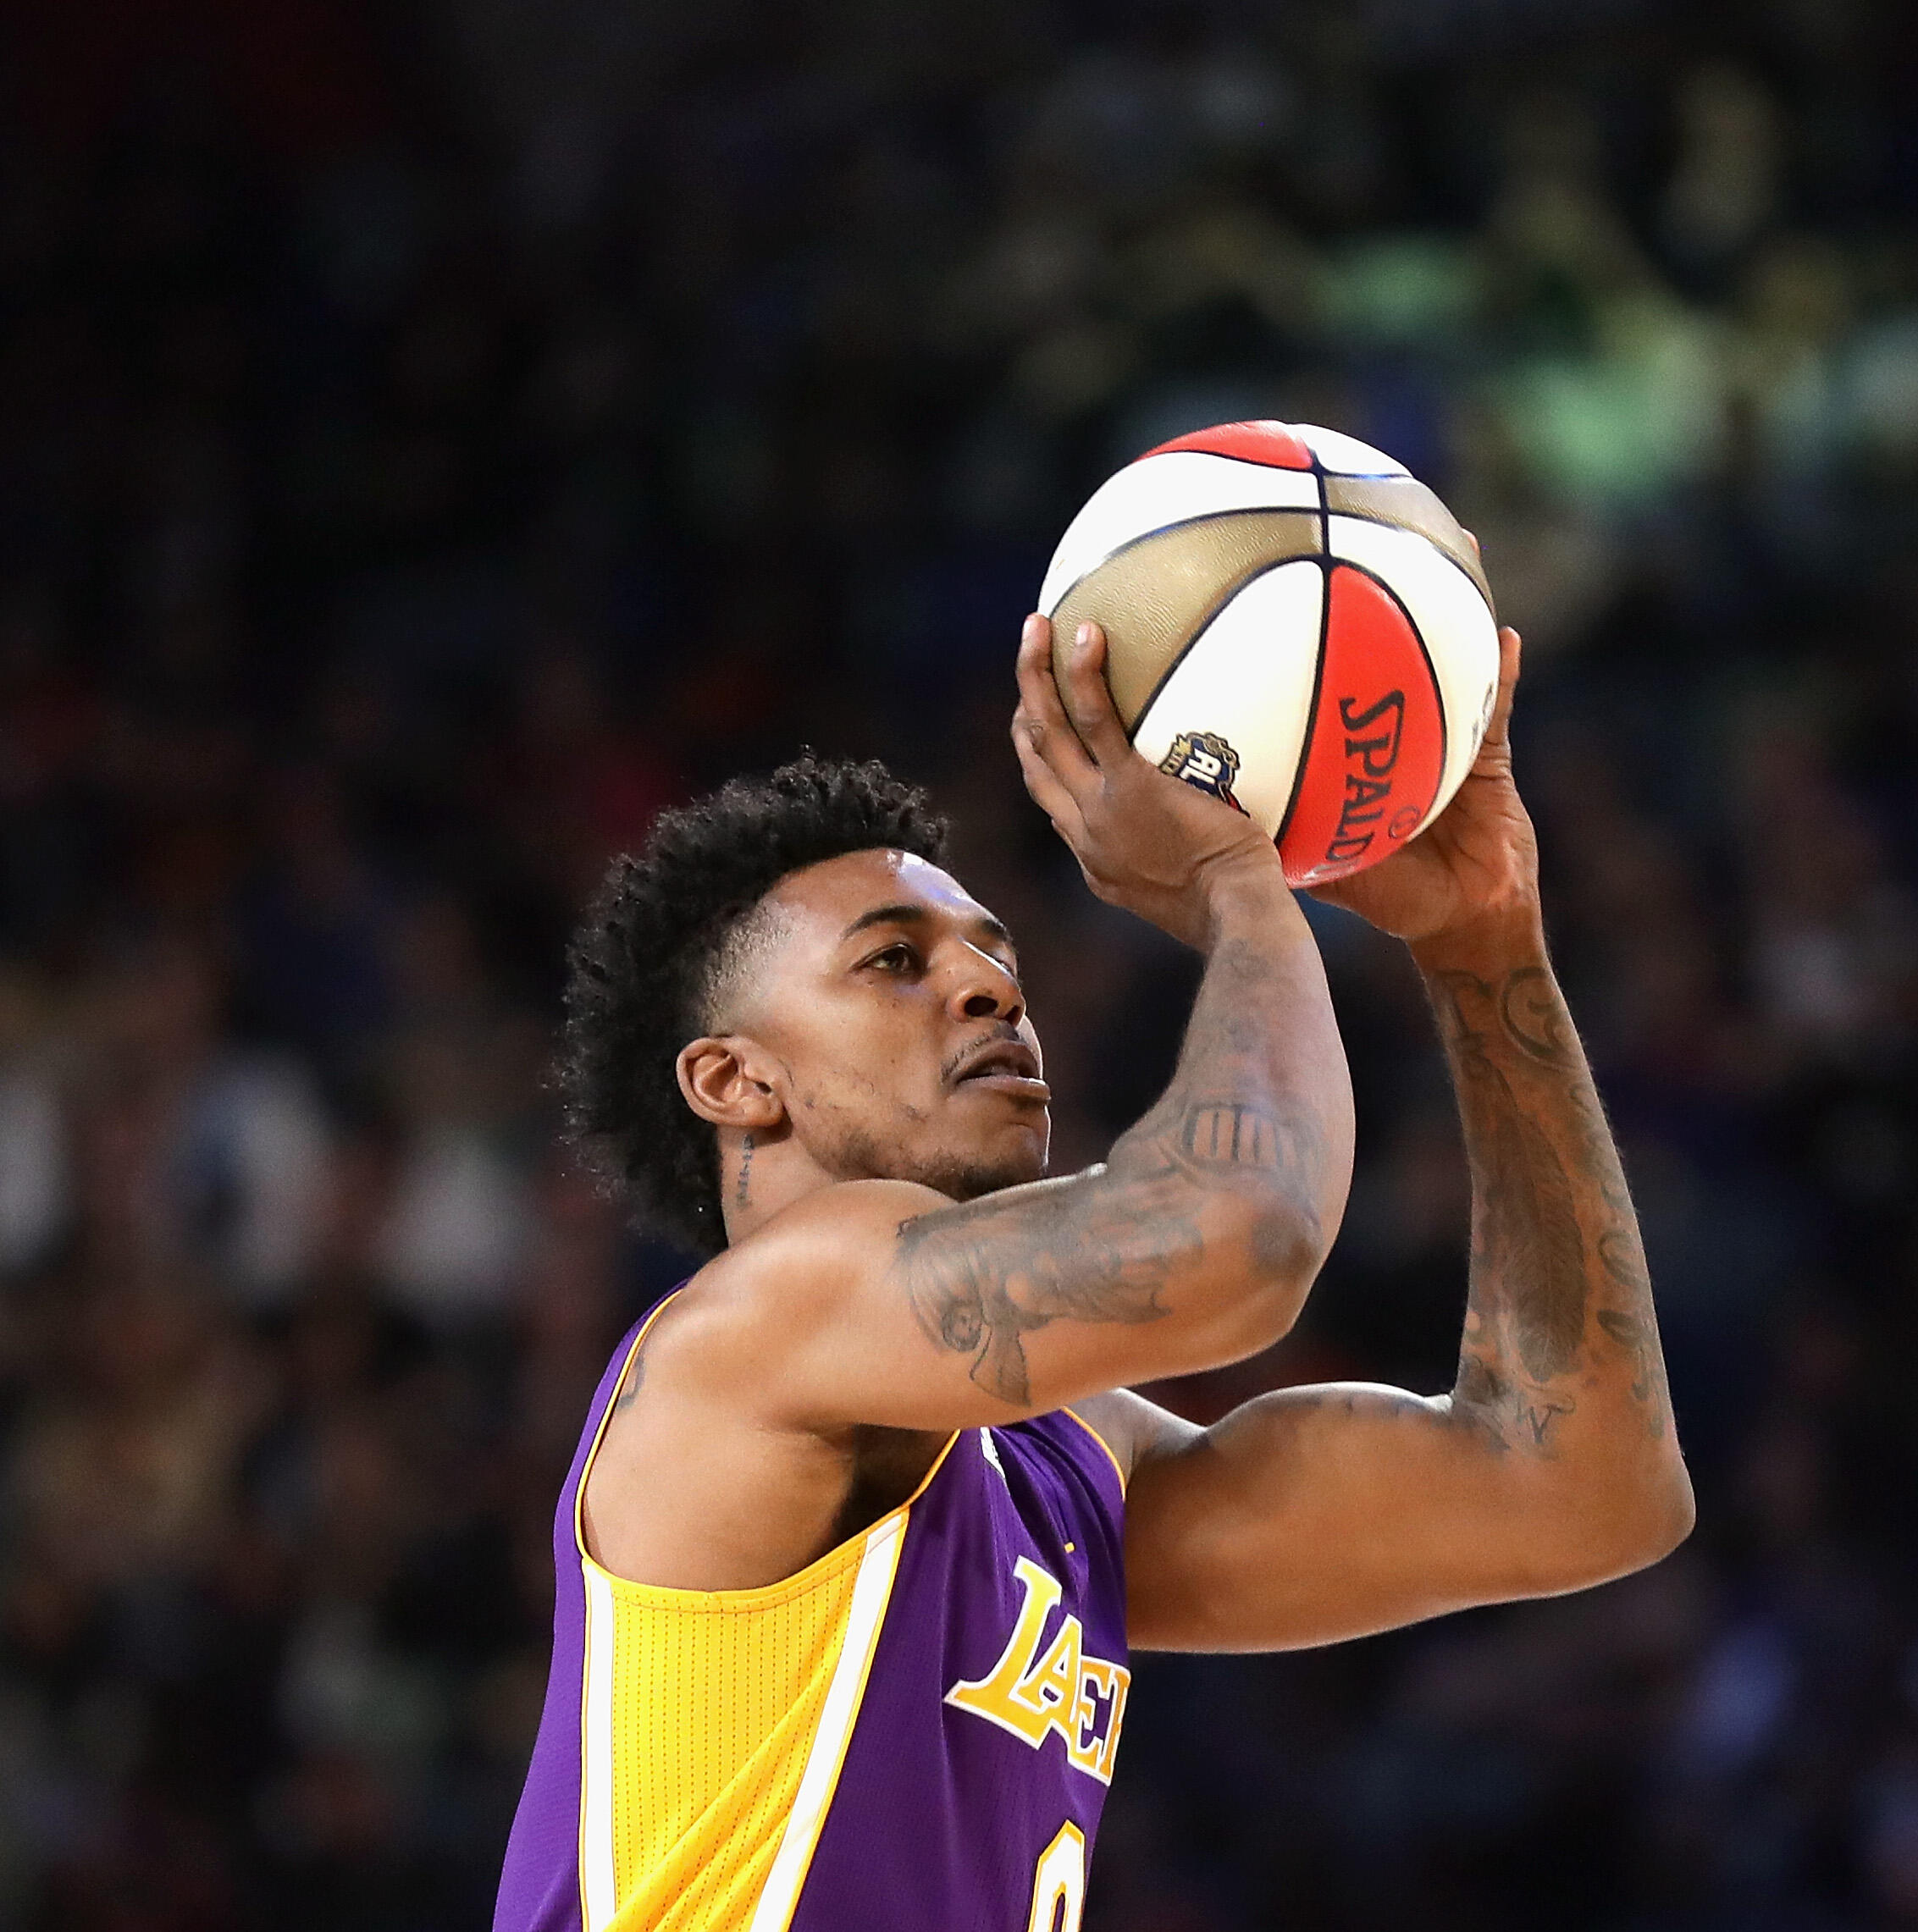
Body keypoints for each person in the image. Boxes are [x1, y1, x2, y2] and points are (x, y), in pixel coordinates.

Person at [493, 615, 1694, 1932]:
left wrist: (1484, 942)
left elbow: (1582, 1489)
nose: (988, 988)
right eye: (894, 961)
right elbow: (1249, 1234)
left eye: (996, 956)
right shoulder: (757, 1328)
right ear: (737, 1081)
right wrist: (1238, 881)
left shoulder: (1072, 1465)